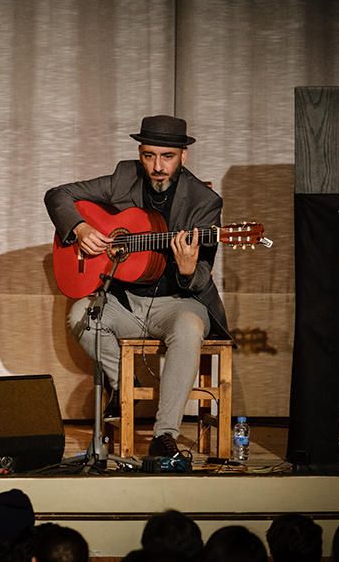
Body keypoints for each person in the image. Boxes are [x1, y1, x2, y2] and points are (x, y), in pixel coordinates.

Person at [45, 115, 229, 458]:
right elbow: (58, 195)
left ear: (183, 156)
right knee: (81, 316)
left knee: (189, 328)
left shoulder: (204, 202)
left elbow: (202, 275)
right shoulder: (124, 177)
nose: (157, 166)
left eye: (167, 157)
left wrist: (188, 269)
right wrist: (82, 230)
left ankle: (165, 436)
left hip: (176, 302)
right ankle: (124, 385)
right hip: (125, 301)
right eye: (149, 156)